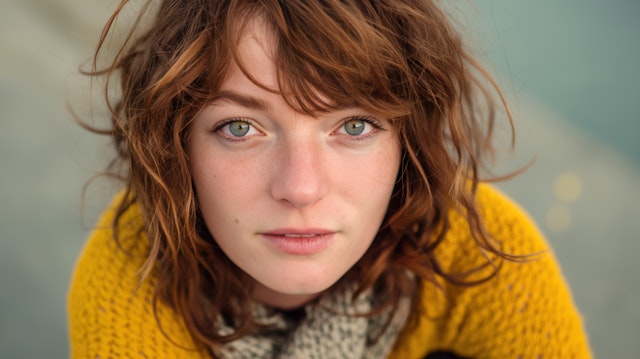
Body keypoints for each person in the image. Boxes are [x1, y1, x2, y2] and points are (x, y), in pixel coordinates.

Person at [68, 1, 591, 358]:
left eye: (354, 126)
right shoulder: (128, 284)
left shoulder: (478, 250)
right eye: (239, 127)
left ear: (407, 144)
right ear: (176, 145)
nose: (300, 188)